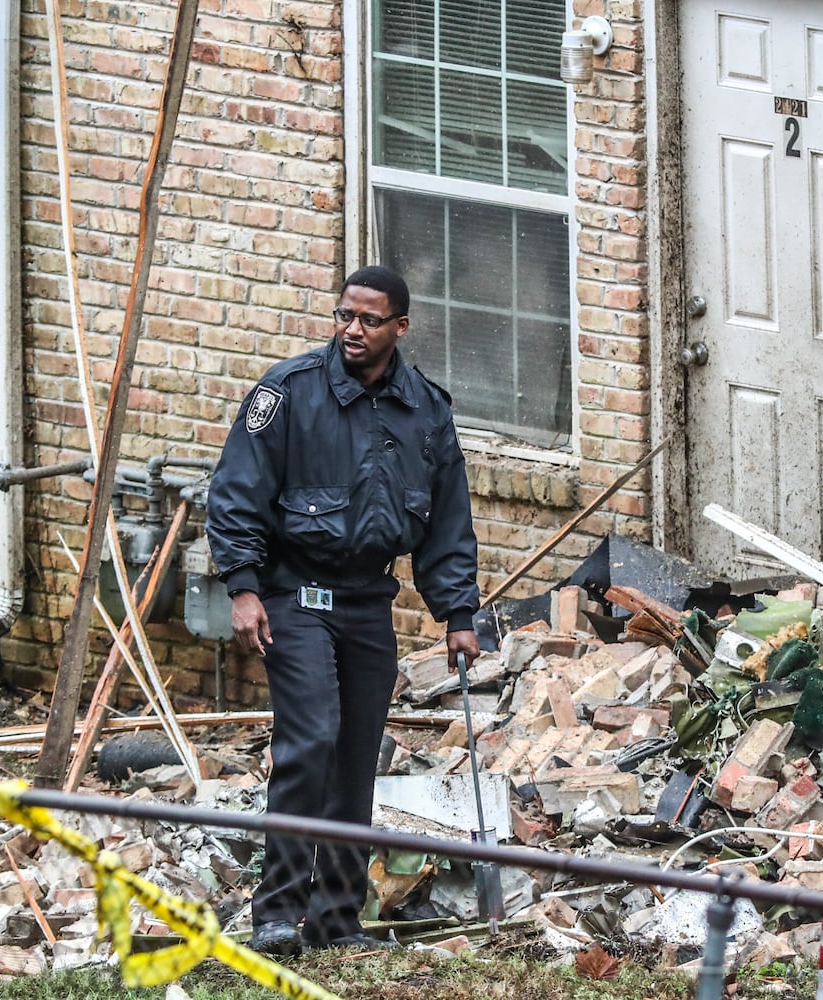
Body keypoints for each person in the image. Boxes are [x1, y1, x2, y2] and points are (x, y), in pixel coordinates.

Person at [206, 265, 480, 955]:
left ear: (400, 327)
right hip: (293, 595)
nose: (351, 330)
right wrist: (242, 586)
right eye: (344, 316)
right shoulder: (289, 393)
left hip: (366, 600)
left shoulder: (426, 411)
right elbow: (236, 491)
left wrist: (458, 614)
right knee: (312, 740)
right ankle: (275, 914)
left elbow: (448, 523)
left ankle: (336, 921)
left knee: (357, 756)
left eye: (368, 320)